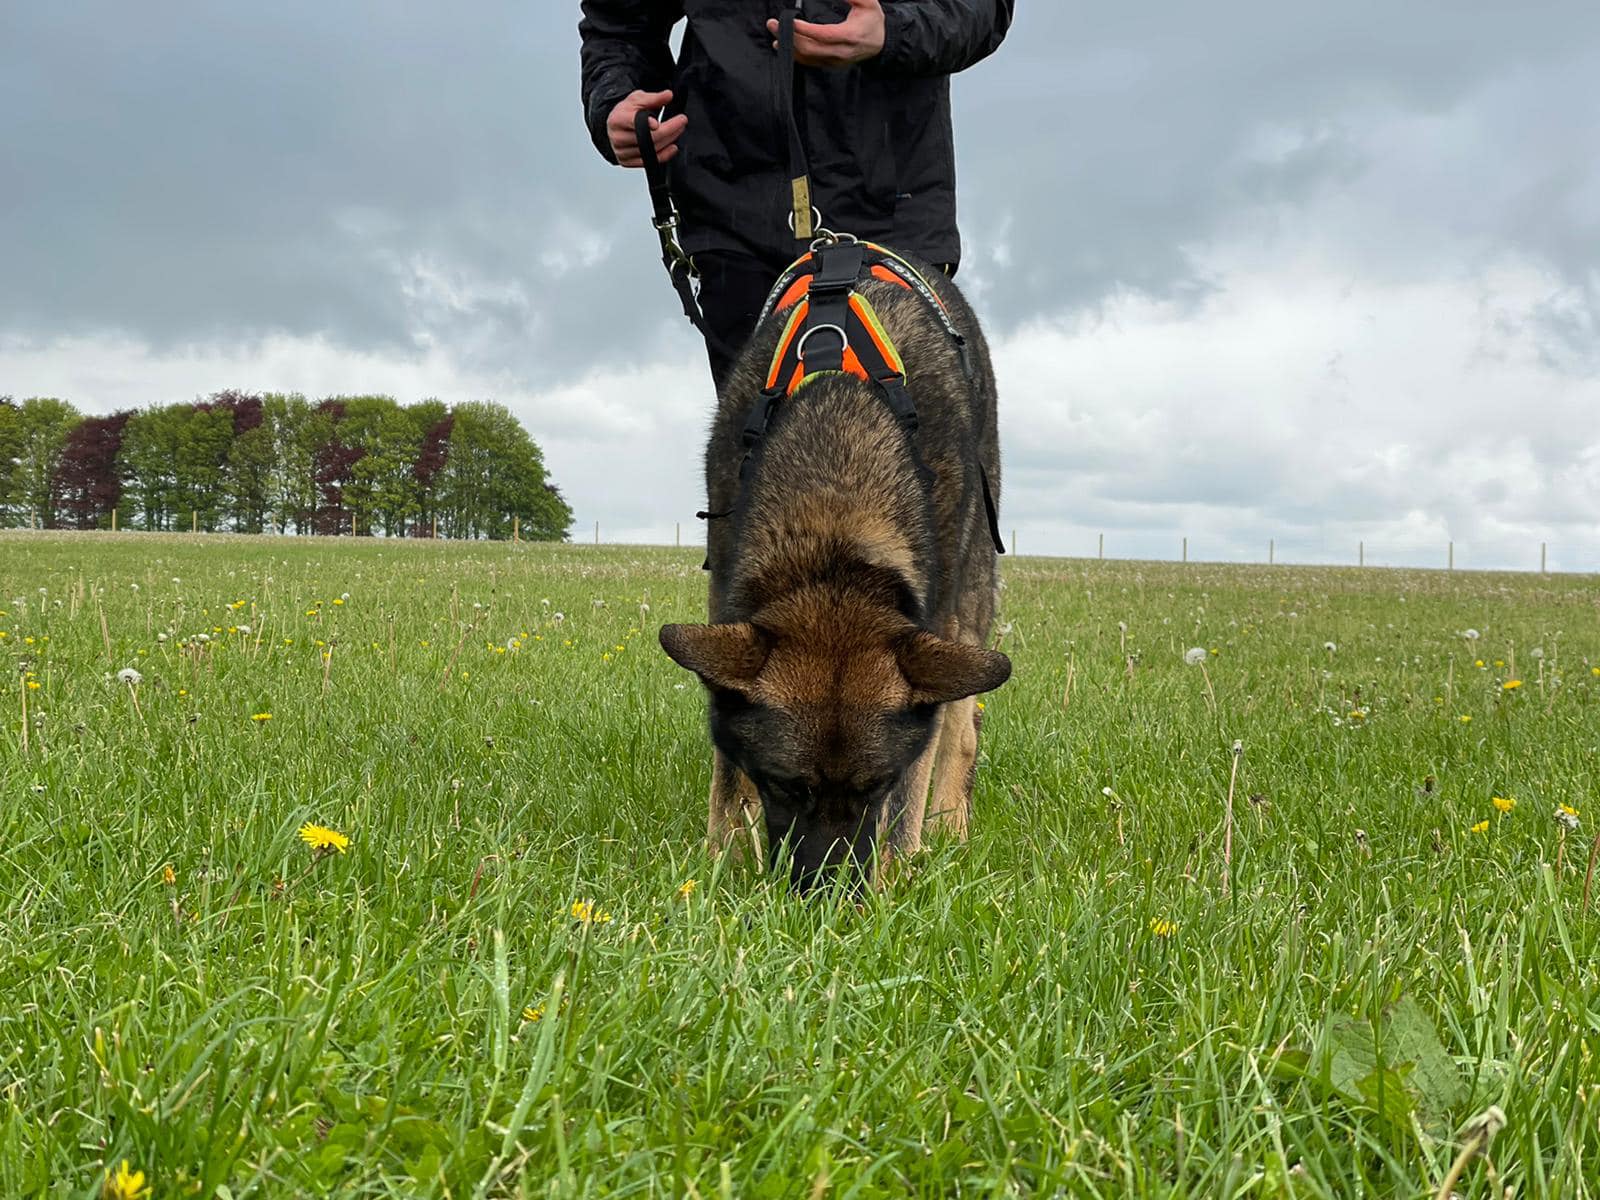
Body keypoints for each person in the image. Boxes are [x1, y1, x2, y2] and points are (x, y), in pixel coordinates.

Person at [579, 1, 1013, 384]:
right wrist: (613, 100)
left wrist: (890, 31)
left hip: (891, 215)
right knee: (757, 467)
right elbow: (619, 24)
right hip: (730, 219)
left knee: (906, 464)